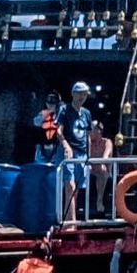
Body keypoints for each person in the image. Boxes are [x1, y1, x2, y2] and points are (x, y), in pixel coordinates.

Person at [55, 82, 93, 222]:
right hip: (69, 153)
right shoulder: (64, 109)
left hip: (82, 154)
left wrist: (89, 157)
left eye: (84, 94)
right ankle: (72, 222)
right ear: (73, 94)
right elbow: (59, 131)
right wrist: (66, 146)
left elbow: (88, 136)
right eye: (79, 93)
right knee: (69, 186)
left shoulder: (86, 113)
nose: (81, 96)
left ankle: (68, 220)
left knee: (75, 189)